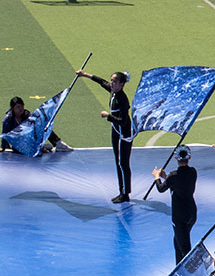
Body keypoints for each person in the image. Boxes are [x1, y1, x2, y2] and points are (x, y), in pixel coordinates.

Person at [76, 69, 132, 203]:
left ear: (122, 84)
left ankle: (125, 193)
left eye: (114, 81)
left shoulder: (122, 100)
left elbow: (123, 121)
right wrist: (85, 74)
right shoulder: (113, 91)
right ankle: (122, 190)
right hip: (115, 130)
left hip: (123, 133)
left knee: (122, 163)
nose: (111, 83)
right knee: (118, 161)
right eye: (111, 81)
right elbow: (101, 82)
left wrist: (108, 116)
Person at [153, 145, 197, 264]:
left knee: (184, 248)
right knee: (178, 241)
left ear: (176, 158)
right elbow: (178, 185)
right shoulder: (193, 172)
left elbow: (161, 188)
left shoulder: (173, 176)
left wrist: (157, 177)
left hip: (179, 216)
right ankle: (178, 267)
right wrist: (165, 177)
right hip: (191, 213)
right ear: (189, 157)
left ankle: (189, 271)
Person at [2, 97, 72, 153]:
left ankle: (58, 143)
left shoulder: (27, 115)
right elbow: (5, 135)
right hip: (18, 143)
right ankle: (40, 148)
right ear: (13, 108)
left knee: (43, 125)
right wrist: (3, 147)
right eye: (18, 107)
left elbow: (34, 131)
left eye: (22, 106)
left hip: (28, 139)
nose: (21, 109)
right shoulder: (8, 120)